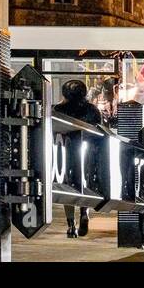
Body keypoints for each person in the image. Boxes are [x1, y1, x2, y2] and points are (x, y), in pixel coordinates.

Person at [52, 78, 102, 239]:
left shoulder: (58, 109)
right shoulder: (92, 110)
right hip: (87, 152)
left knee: (66, 186)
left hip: (64, 152)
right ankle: (84, 212)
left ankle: (71, 225)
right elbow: (99, 130)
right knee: (84, 183)